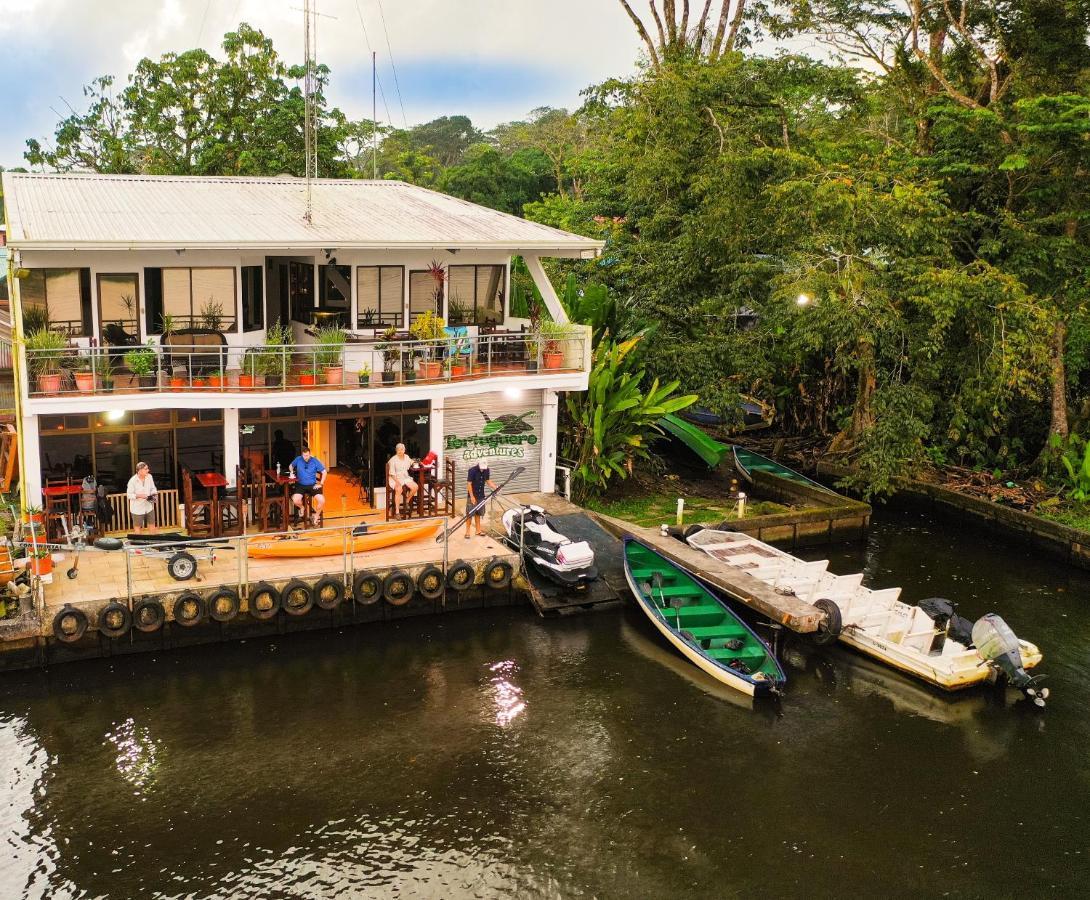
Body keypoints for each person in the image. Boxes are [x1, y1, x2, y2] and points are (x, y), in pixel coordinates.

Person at [289, 445, 326, 526]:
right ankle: (302, 507)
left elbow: (324, 472)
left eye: (307, 455)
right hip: (300, 485)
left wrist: (321, 484)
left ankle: (316, 516)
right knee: (295, 500)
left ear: (310, 454)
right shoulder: (298, 459)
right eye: (304, 455)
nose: (306, 457)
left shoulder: (314, 460)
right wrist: (292, 472)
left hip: (312, 485)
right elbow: (291, 466)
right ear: (302, 455)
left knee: (322, 500)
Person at [465, 458, 498, 539]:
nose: (483, 469)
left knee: (478, 513)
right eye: (482, 467)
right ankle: (467, 531)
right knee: (470, 513)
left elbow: (488, 481)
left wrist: (495, 487)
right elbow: (469, 484)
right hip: (472, 494)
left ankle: (478, 530)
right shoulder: (472, 471)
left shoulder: (486, 470)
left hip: (481, 495)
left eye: (484, 467)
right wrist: (472, 496)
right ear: (478, 464)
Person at [126, 461, 157, 533]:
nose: (148, 470)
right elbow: (129, 495)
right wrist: (139, 495)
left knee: (152, 524)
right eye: (146, 469)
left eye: (147, 469)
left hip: (149, 506)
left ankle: (153, 542)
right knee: (137, 527)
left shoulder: (149, 476)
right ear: (140, 470)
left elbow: (153, 488)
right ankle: (139, 543)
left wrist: (154, 494)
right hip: (137, 508)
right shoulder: (132, 481)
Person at [387, 443, 417, 517]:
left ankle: (406, 501)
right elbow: (392, 474)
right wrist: (397, 482)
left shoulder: (406, 457)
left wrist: (415, 463)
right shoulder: (393, 459)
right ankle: (397, 512)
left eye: (402, 449)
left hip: (404, 477)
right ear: (396, 450)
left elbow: (411, 461)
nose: (400, 451)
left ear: (404, 450)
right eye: (398, 450)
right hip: (395, 478)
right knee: (399, 489)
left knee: (415, 487)